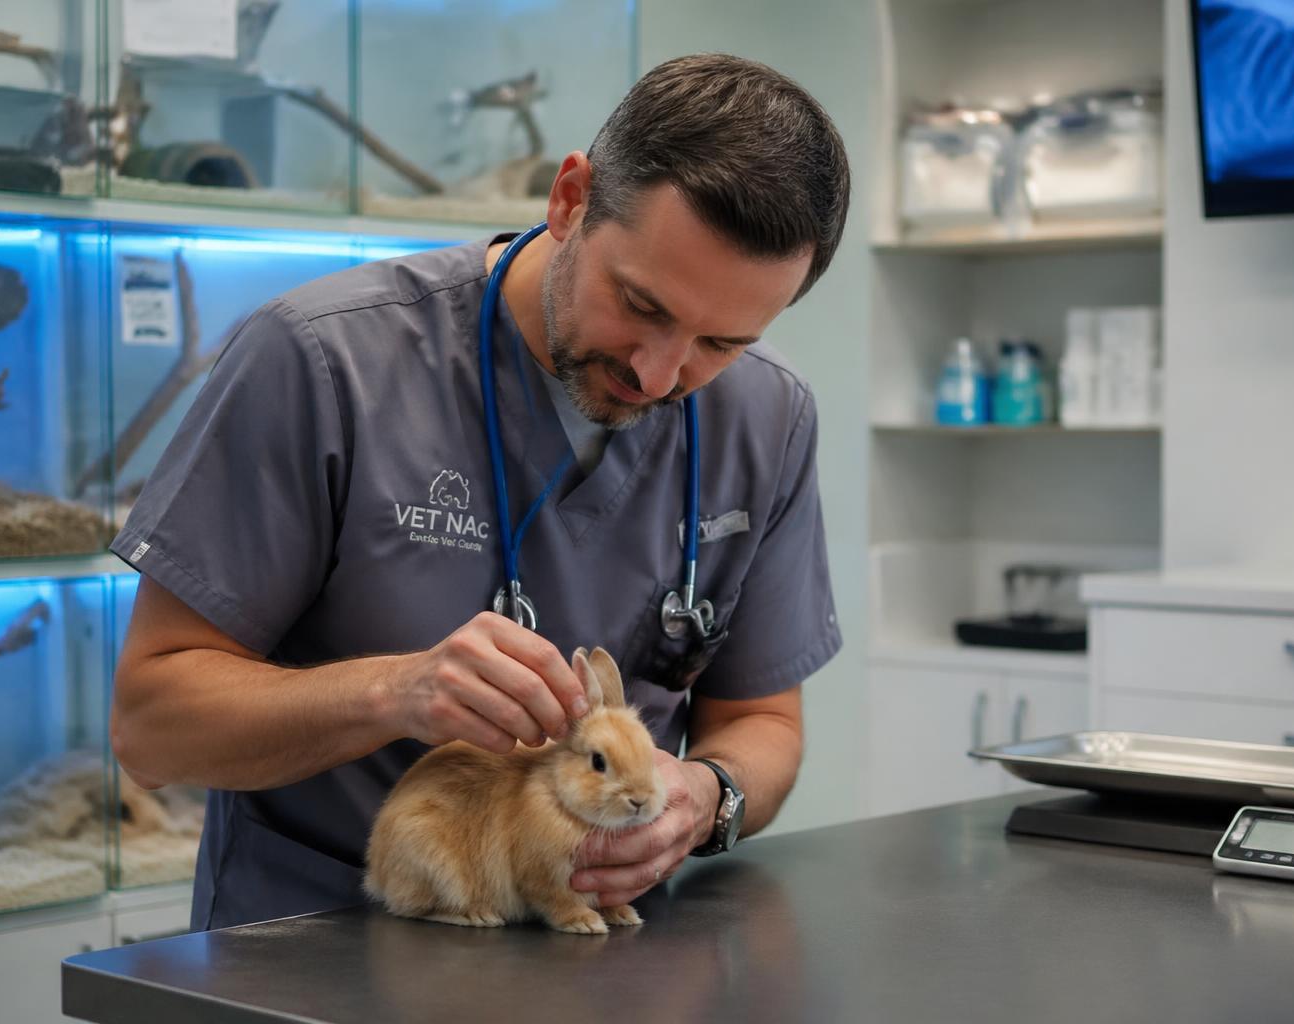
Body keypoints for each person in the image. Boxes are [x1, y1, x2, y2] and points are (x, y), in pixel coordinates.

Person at [110, 52, 851, 931]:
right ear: (570, 200)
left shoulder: (767, 416)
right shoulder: (322, 362)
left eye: (720, 341)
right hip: (316, 946)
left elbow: (763, 721)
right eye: (641, 305)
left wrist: (704, 795)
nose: (659, 375)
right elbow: (151, 726)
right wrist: (392, 693)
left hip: (598, 960)